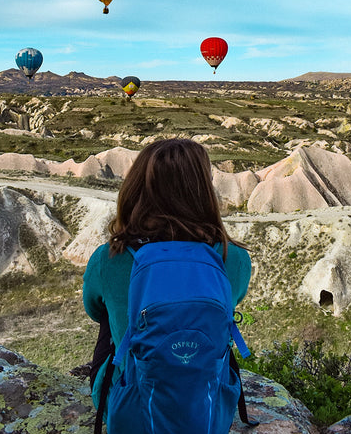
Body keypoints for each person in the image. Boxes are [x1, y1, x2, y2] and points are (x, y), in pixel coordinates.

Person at [83, 138, 252, 415]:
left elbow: (93, 309)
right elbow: (234, 299)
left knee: (109, 318)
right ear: (203, 192)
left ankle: (120, 391)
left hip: (131, 407)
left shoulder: (109, 258)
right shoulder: (232, 258)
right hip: (205, 405)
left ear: (136, 190)